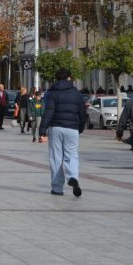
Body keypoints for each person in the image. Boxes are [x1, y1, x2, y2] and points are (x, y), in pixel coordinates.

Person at [38, 68, 86, 197]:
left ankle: (57, 188)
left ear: (56, 78)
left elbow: (48, 112)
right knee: (71, 155)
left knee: (56, 158)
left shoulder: (53, 92)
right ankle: (73, 176)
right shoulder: (76, 93)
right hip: (72, 128)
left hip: (56, 128)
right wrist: (80, 127)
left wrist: (42, 130)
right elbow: (82, 113)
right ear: (69, 78)